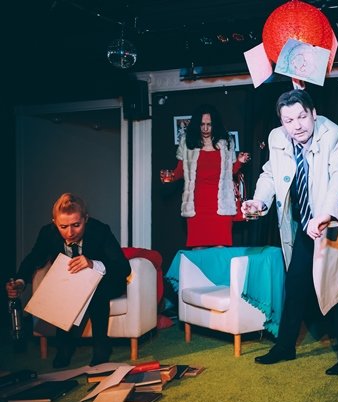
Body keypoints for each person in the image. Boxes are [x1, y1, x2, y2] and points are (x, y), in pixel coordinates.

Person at [242, 89, 338, 375]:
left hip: (335, 223)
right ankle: (285, 346)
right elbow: (271, 173)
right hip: (304, 225)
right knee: (296, 284)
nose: (296, 126)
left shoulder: (335, 135)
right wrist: (259, 201)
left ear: (314, 113)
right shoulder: (277, 138)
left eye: (302, 117)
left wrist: (326, 214)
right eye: (288, 120)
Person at [5, 193, 131, 368]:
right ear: (54, 222)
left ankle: (102, 347)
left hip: (106, 281)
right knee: (62, 288)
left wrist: (92, 264)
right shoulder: (48, 233)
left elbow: (123, 267)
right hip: (70, 285)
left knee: (96, 291)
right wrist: (20, 282)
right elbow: (34, 258)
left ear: (86, 219)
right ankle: (64, 347)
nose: (70, 233)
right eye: (63, 226)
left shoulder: (100, 230)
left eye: (76, 225)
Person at [161, 104, 250, 248]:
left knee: (220, 250)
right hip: (197, 207)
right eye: (202, 124)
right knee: (198, 250)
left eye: (209, 124)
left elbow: (230, 173)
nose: (205, 128)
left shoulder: (226, 143)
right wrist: (169, 176)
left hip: (221, 206)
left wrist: (239, 162)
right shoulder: (187, 143)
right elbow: (180, 171)